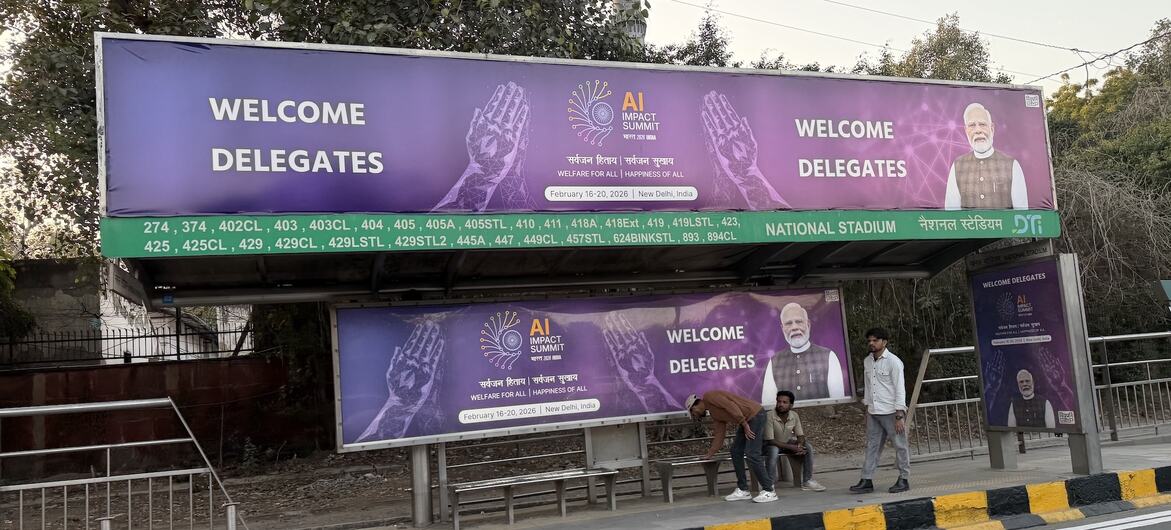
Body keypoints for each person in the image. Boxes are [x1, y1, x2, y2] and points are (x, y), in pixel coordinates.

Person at [685, 390, 776, 503]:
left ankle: (769, 490)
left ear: (694, 406)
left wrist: (743, 423)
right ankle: (743, 489)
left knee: (752, 453)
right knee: (735, 451)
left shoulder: (709, 396)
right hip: (746, 421)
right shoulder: (715, 414)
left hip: (755, 415)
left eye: (693, 413)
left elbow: (730, 405)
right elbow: (719, 435)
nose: (696, 415)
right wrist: (709, 454)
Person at [850, 327, 910, 494]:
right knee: (872, 446)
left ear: (884, 342)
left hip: (891, 412)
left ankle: (904, 479)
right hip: (874, 411)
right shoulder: (867, 361)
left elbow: (900, 389)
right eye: (869, 340)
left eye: (875, 340)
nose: (871, 343)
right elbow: (869, 387)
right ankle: (866, 479)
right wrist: (867, 409)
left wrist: (899, 414)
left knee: (900, 445)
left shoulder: (894, 362)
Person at [944, 103, 1028, 210]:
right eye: (972, 125)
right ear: (966, 131)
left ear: (992, 128)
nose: (978, 130)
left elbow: (1022, 214)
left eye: (982, 124)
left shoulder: (1012, 165)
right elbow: (951, 214)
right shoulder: (957, 166)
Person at [762, 302, 847, 403]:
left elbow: (838, 402)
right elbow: (768, 405)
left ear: (808, 324)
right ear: (782, 328)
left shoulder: (829, 356)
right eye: (789, 323)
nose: (794, 327)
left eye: (799, 321)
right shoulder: (774, 361)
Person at [763, 390, 826, 492]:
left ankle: (807, 481)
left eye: (784, 402)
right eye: (779, 402)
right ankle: (769, 485)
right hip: (769, 446)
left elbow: (800, 435)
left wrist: (800, 445)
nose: (780, 405)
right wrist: (792, 447)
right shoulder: (769, 416)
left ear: (791, 405)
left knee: (808, 447)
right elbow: (770, 440)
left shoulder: (794, 415)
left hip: (785, 444)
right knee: (774, 450)